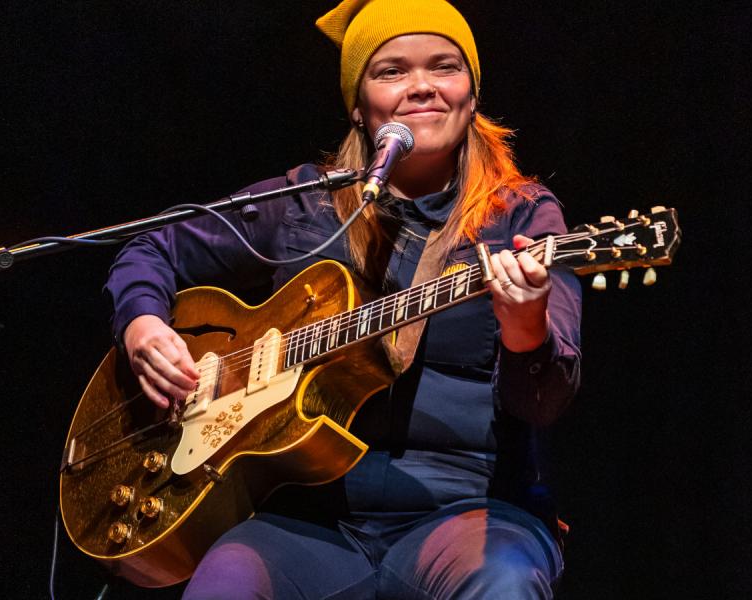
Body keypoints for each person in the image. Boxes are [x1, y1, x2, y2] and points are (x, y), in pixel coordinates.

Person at [105, 0, 581, 597]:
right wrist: (143, 325)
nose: (422, 88)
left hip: (466, 514)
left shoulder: (522, 217)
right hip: (304, 520)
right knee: (223, 584)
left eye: (444, 67)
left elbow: (546, 401)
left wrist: (525, 327)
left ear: (472, 92)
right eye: (391, 72)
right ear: (358, 106)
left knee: (504, 584)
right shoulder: (304, 204)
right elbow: (152, 249)